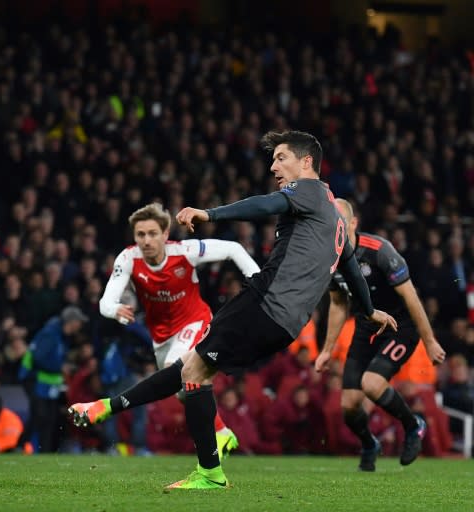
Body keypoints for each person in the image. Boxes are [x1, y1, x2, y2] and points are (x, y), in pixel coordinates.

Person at [69, 130, 397, 490]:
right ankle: (106, 408)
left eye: (281, 158)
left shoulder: (309, 190)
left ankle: (209, 471)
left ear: (307, 162)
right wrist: (370, 311)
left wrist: (208, 213)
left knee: (191, 370)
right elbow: (351, 269)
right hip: (287, 324)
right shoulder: (334, 220)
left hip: (265, 302)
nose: (274, 166)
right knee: (192, 369)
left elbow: (264, 205)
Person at [98, 202, 260, 457]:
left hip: (194, 321)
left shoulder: (185, 251)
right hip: (161, 337)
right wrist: (115, 310)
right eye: (141, 234)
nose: (146, 240)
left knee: (181, 370)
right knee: (183, 391)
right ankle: (221, 432)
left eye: (152, 234)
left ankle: (209, 453)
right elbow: (105, 303)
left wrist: (257, 281)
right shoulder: (128, 258)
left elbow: (233, 249)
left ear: (165, 234)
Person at [314, 198, 446, 470]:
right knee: (349, 405)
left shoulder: (380, 251)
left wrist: (430, 341)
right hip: (367, 326)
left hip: (400, 326)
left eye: (339, 219)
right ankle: (369, 444)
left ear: (352, 223)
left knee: (372, 384)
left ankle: (413, 425)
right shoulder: (329, 258)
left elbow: (412, 299)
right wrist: (327, 350)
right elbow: (339, 303)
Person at [20, 305, 88, 453]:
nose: (80, 326)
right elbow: (38, 358)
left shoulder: (61, 336)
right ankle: (20, 446)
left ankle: (45, 452)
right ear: (71, 322)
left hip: (48, 383)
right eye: (79, 322)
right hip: (34, 379)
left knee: (49, 417)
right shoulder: (50, 333)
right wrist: (60, 367)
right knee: (40, 415)